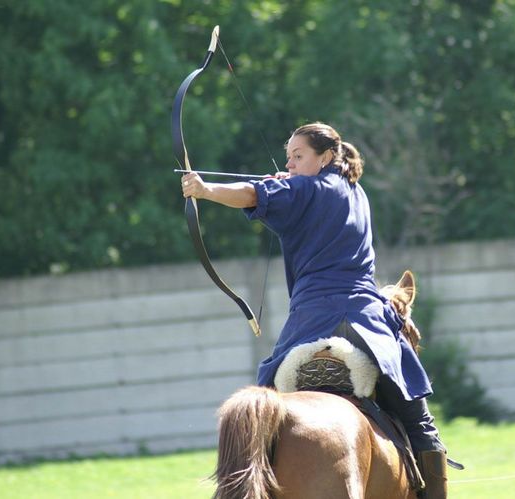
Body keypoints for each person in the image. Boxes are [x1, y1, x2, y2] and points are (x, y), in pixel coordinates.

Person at [181, 122, 448, 498]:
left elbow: (251, 194)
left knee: (262, 407)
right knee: (417, 419)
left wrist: (205, 190)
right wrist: (287, 185)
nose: (289, 164)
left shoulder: (305, 188)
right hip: (366, 322)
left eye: (298, 156)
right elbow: (282, 198)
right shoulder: (355, 192)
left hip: (312, 322)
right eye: (288, 156)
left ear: (324, 157)